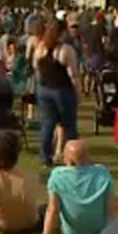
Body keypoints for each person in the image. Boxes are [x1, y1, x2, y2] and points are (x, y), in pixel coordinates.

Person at [44, 140, 118, 234]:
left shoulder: (57, 175)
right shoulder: (102, 172)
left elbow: (53, 210)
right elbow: (113, 209)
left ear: (68, 159)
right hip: (101, 231)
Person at [33, 21, 81, 168]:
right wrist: (78, 91)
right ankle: (73, 157)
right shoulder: (66, 50)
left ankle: (45, 158)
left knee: (47, 125)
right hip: (62, 90)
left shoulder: (40, 48)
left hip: (44, 89)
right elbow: (73, 74)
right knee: (69, 125)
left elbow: (35, 67)